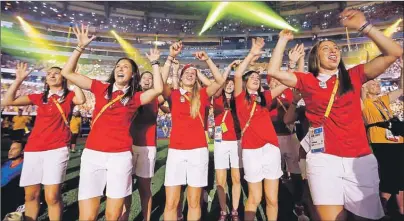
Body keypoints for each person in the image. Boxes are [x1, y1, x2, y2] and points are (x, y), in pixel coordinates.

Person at [267, 9, 403, 221]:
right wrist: (282, 40)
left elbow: (394, 53)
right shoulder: (307, 80)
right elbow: (274, 72)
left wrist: (364, 27)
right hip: (323, 160)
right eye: (326, 48)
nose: (333, 50)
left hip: (360, 159)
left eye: (336, 48)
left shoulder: (354, 75)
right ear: (316, 56)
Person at [61, 24, 163, 221]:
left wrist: (156, 63)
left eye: (125, 66)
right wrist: (79, 47)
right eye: (118, 66)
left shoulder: (135, 98)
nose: (120, 68)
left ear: (133, 74)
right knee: (87, 216)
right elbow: (68, 73)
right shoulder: (101, 88)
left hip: (120, 157)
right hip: (92, 155)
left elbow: (158, 89)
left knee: (113, 214)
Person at [1, 63, 86, 221]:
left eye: (57, 73)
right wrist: (18, 80)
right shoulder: (39, 97)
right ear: (46, 80)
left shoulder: (68, 96)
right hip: (34, 149)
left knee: (52, 196)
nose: (52, 75)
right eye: (49, 74)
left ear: (63, 78)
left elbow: (81, 99)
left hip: (57, 149)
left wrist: (73, 80)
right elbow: (8, 101)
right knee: (30, 196)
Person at [161, 41, 225, 221]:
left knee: (194, 201)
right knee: (171, 203)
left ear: (196, 79)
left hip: (198, 151)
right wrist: (170, 57)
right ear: (180, 78)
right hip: (176, 151)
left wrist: (208, 61)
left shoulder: (202, 95)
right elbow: (159, 84)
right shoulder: (173, 95)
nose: (190, 74)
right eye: (186, 73)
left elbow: (219, 81)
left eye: (193, 73)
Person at [233, 37, 287, 221]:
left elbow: (286, 83)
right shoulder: (240, 98)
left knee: (272, 199)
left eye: (258, 77)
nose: (256, 79)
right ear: (246, 82)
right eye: (253, 77)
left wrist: (293, 62)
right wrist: (252, 54)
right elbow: (238, 74)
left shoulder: (265, 97)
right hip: (251, 151)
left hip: (271, 149)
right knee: (255, 198)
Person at [120, 70, 168, 221]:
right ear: (139, 81)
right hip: (127, 146)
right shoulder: (131, 97)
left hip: (148, 147)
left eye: (150, 78)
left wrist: (163, 63)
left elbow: (163, 82)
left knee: (144, 187)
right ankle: (124, 217)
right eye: (144, 78)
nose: (147, 80)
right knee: (125, 187)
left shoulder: (156, 97)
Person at [361, 72, 403, 216]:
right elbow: (360, 88)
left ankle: (401, 210)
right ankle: (382, 205)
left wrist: (403, 69)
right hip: (379, 140)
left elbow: (401, 89)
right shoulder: (364, 102)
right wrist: (364, 79)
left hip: (396, 139)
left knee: (400, 175)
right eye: (373, 83)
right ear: (365, 88)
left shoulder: (383, 100)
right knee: (389, 174)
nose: (377, 84)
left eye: (378, 83)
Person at [212, 60, 243, 221]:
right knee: (221, 179)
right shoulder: (217, 98)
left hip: (236, 140)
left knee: (236, 178)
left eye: (232, 83)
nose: (230, 85)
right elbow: (219, 84)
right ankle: (223, 210)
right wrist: (229, 68)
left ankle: (235, 210)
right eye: (228, 83)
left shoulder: (239, 99)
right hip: (220, 142)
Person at [1, 142, 25, 219]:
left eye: (14, 149)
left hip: (9, 196)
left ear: (22, 151)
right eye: (10, 149)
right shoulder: (6, 164)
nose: (10, 151)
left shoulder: (25, 166)